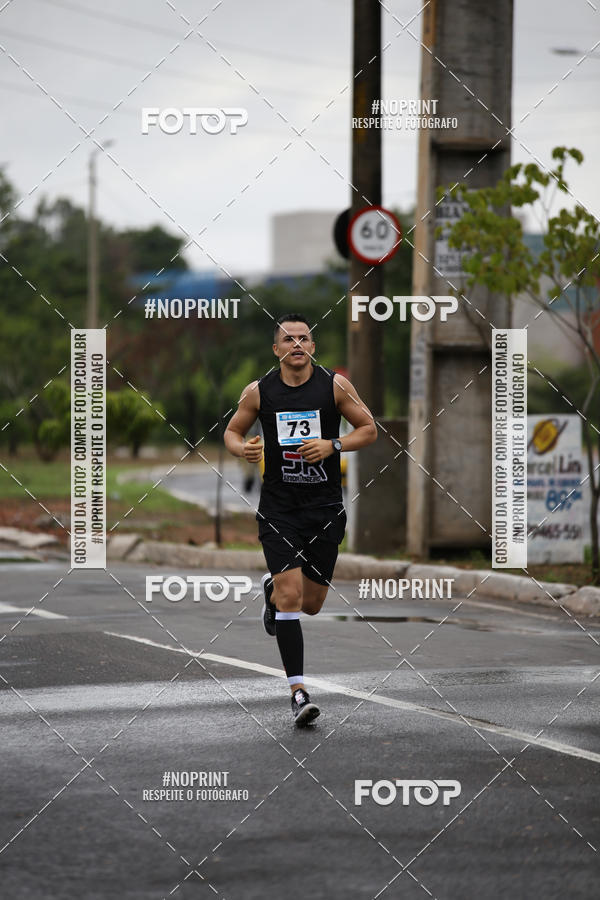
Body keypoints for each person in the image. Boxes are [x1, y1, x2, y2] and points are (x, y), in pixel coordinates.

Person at [224, 313, 377, 725]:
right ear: (276, 350)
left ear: (313, 347)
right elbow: (232, 432)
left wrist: (334, 444)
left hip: (324, 508)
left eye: (303, 338)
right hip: (279, 508)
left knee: (311, 604)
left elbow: (369, 429)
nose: (296, 344)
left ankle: (272, 590)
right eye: (287, 339)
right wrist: (244, 450)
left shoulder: (335, 386)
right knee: (292, 599)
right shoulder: (259, 392)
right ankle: (298, 692)